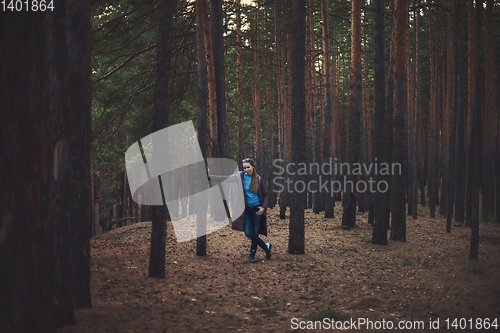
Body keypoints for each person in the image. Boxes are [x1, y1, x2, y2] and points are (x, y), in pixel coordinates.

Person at [208, 158, 271, 263]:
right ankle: (266, 247)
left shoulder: (259, 179)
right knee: (248, 233)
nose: (246, 169)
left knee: (255, 233)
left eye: (248, 167)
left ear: (253, 167)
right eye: (244, 167)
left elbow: (265, 195)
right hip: (245, 210)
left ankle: (252, 255)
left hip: (257, 210)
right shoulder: (240, 176)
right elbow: (225, 178)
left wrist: (263, 207)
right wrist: (209, 177)